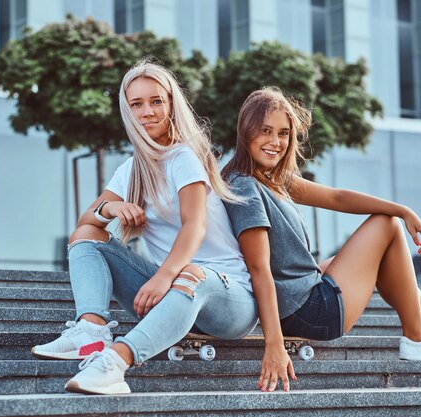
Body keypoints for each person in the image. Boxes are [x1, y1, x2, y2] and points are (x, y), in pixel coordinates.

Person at [221, 87, 421, 393]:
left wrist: (403, 208)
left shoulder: (272, 178)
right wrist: (275, 344)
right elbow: (258, 269)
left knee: (386, 237)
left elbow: (337, 198)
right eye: (265, 131)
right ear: (246, 131)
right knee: (387, 226)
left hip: (301, 294)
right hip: (309, 311)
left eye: (283, 133)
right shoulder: (245, 187)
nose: (276, 142)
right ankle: (418, 336)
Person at [32, 60, 260, 395]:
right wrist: (110, 207)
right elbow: (85, 225)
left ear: (171, 105)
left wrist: (163, 276)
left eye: (156, 101)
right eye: (136, 104)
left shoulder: (184, 157)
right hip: (173, 293)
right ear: (127, 110)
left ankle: (114, 364)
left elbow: (193, 227)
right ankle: (91, 329)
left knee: (192, 273)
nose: (147, 112)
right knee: (88, 237)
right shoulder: (130, 170)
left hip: (230, 300)